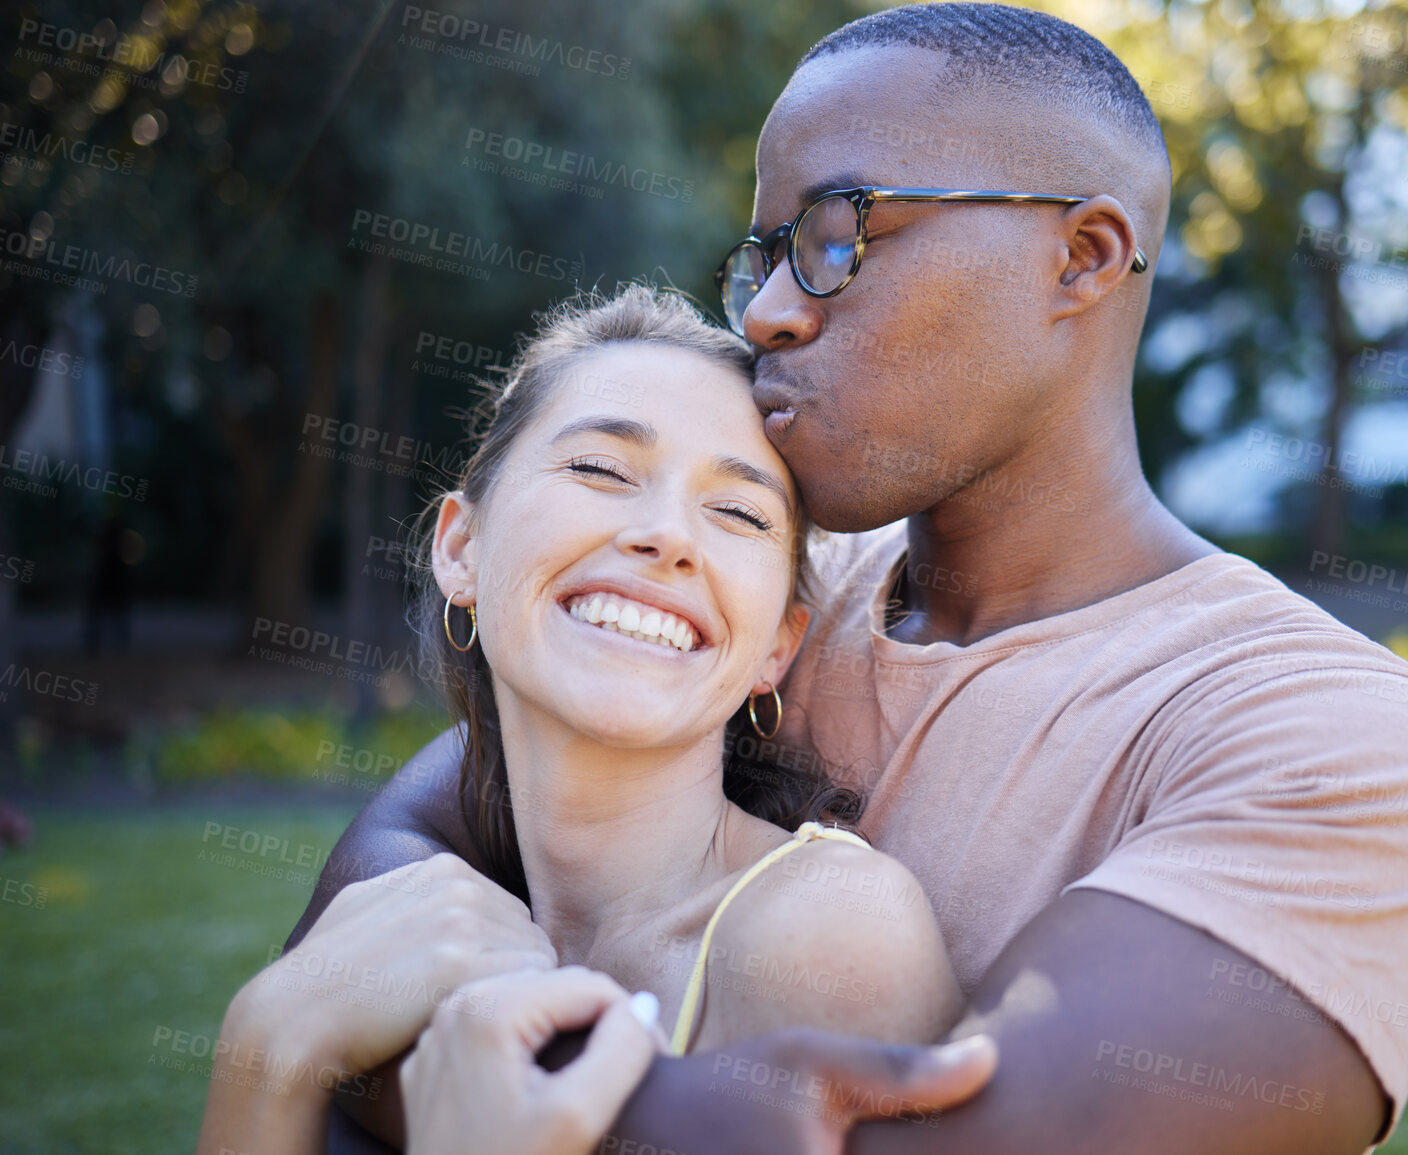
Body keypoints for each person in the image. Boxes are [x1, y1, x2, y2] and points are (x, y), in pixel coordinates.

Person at [295, 5, 1408, 1153]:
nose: (767, 313)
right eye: (763, 256)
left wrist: (415, 1059)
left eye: (837, 237)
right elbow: (400, 847)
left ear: (1080, 259)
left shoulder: (1332, 739)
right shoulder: (756, 599)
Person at [197, 287, 990, 1155]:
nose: (666, 535)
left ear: (776, 646)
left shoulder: (826, 930)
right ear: (461, 548)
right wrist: (262, 1048)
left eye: (737, 511)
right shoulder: (418, 912)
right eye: (600, 469)